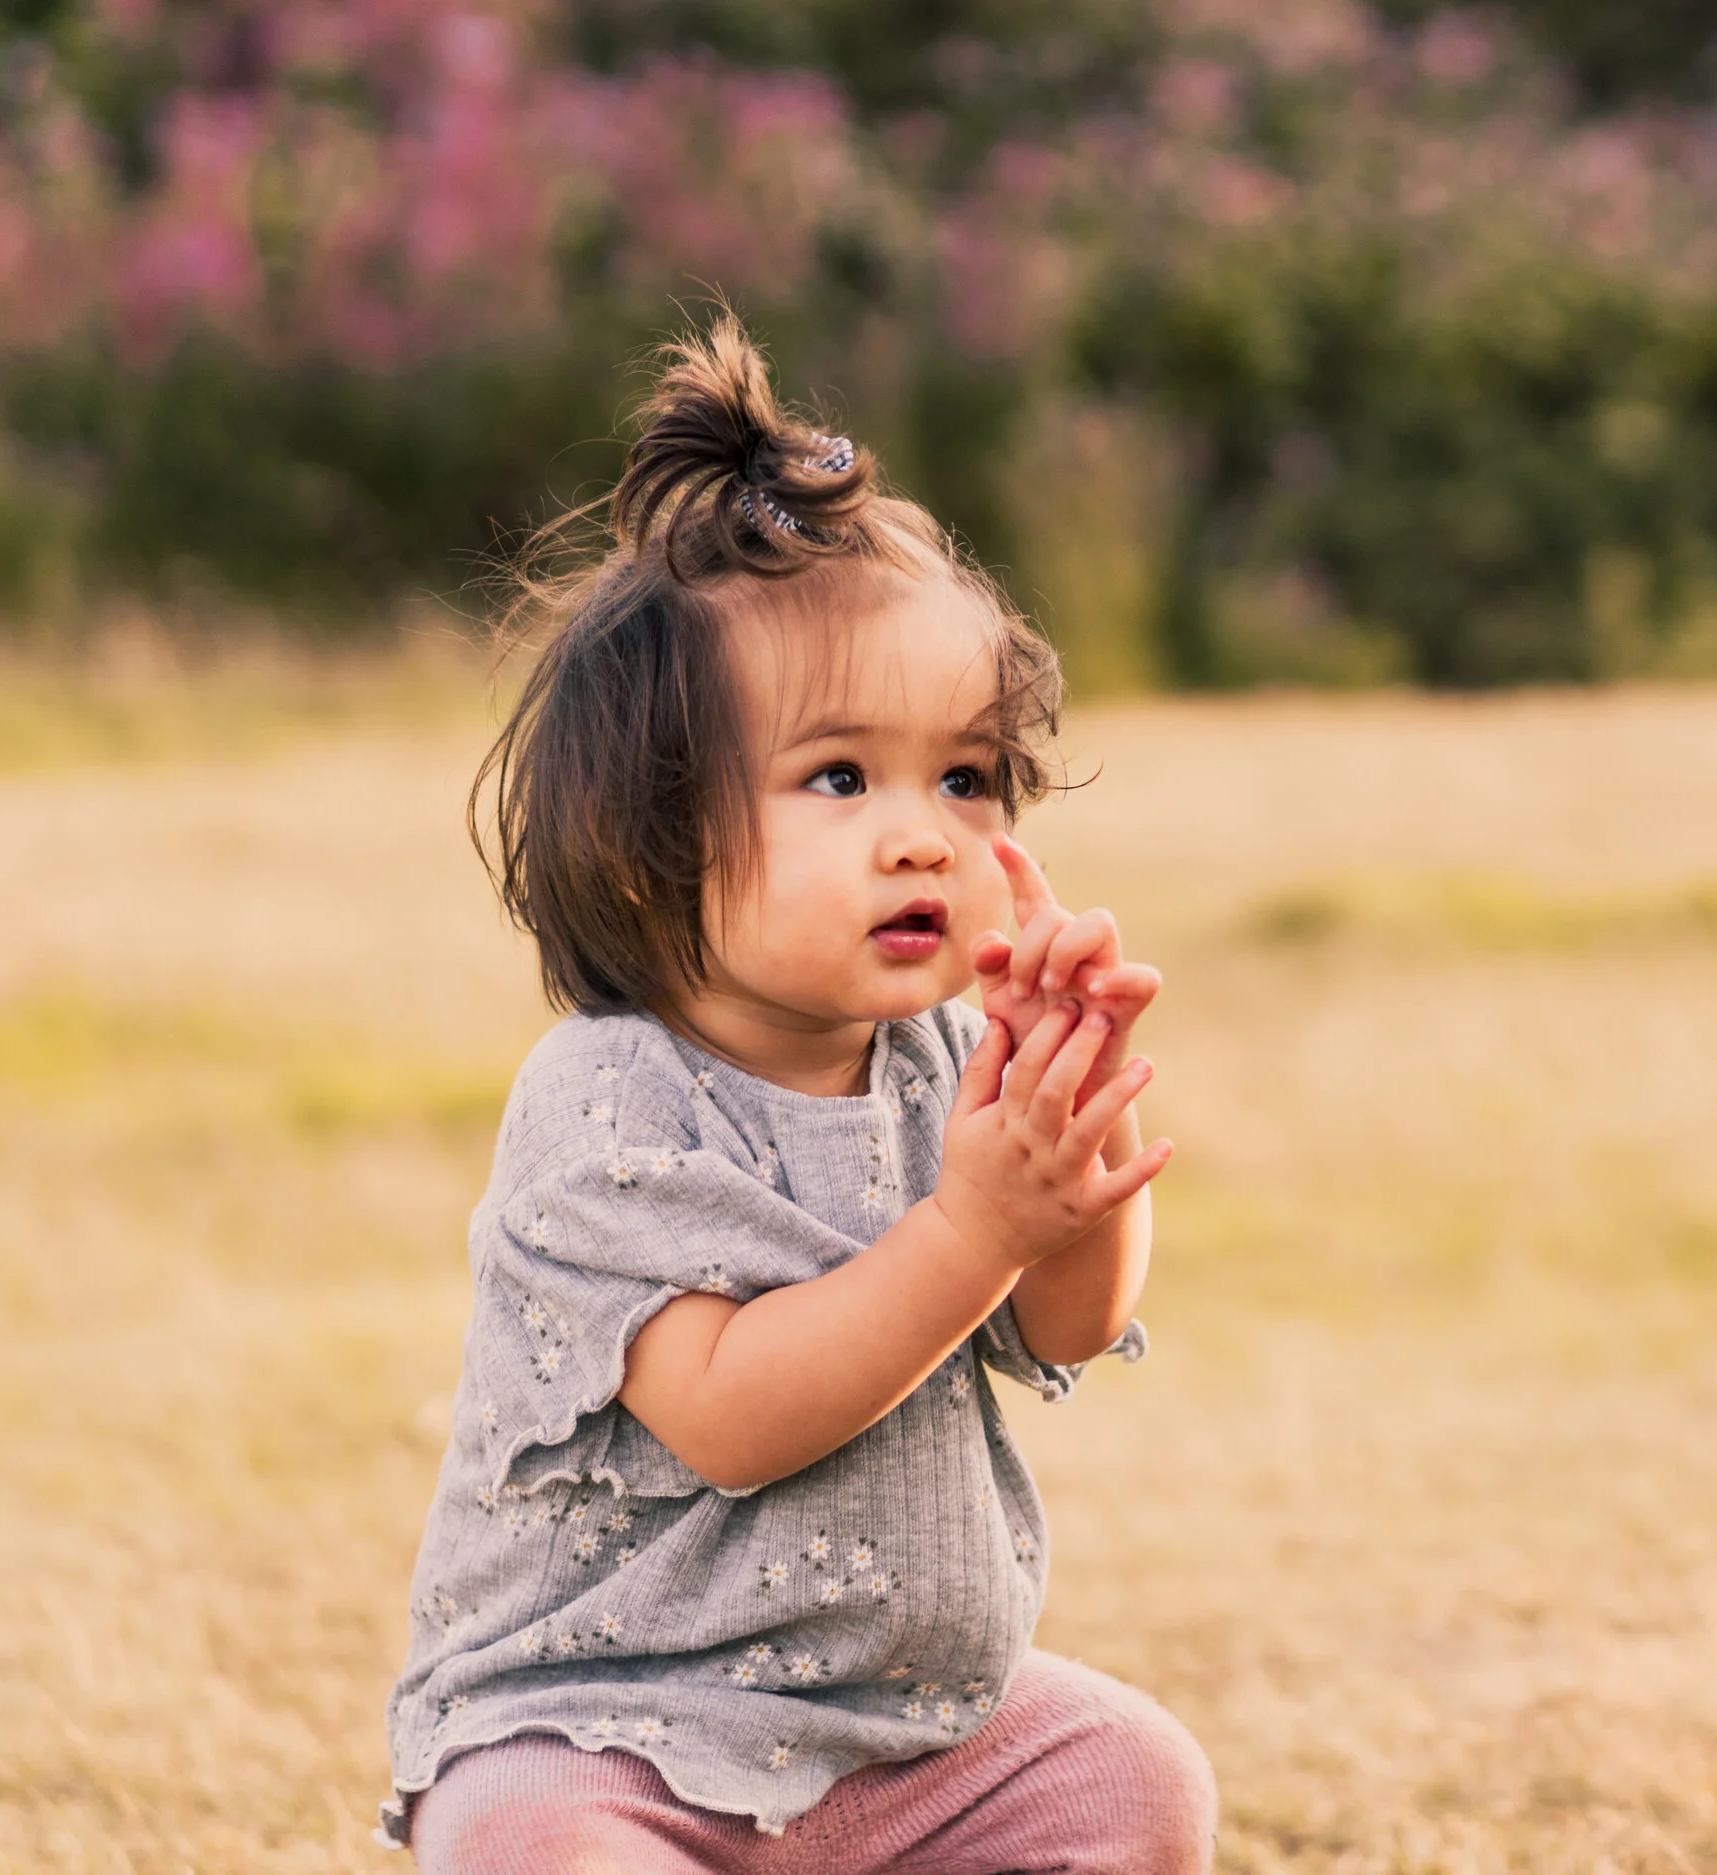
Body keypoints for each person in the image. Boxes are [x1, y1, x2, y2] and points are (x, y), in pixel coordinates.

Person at [374, 316, 1215, 1873]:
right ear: (649, 841)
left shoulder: (943, 1061)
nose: (923, 833)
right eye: (840, 777)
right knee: (542, 1844)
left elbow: (1065, 1322)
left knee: (1129, 1776)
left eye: (964, 777)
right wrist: (977, 1223)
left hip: (894, 1729)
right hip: (605, 1726)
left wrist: (1072, 1118)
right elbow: (732, 1416)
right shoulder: (609, 1097)